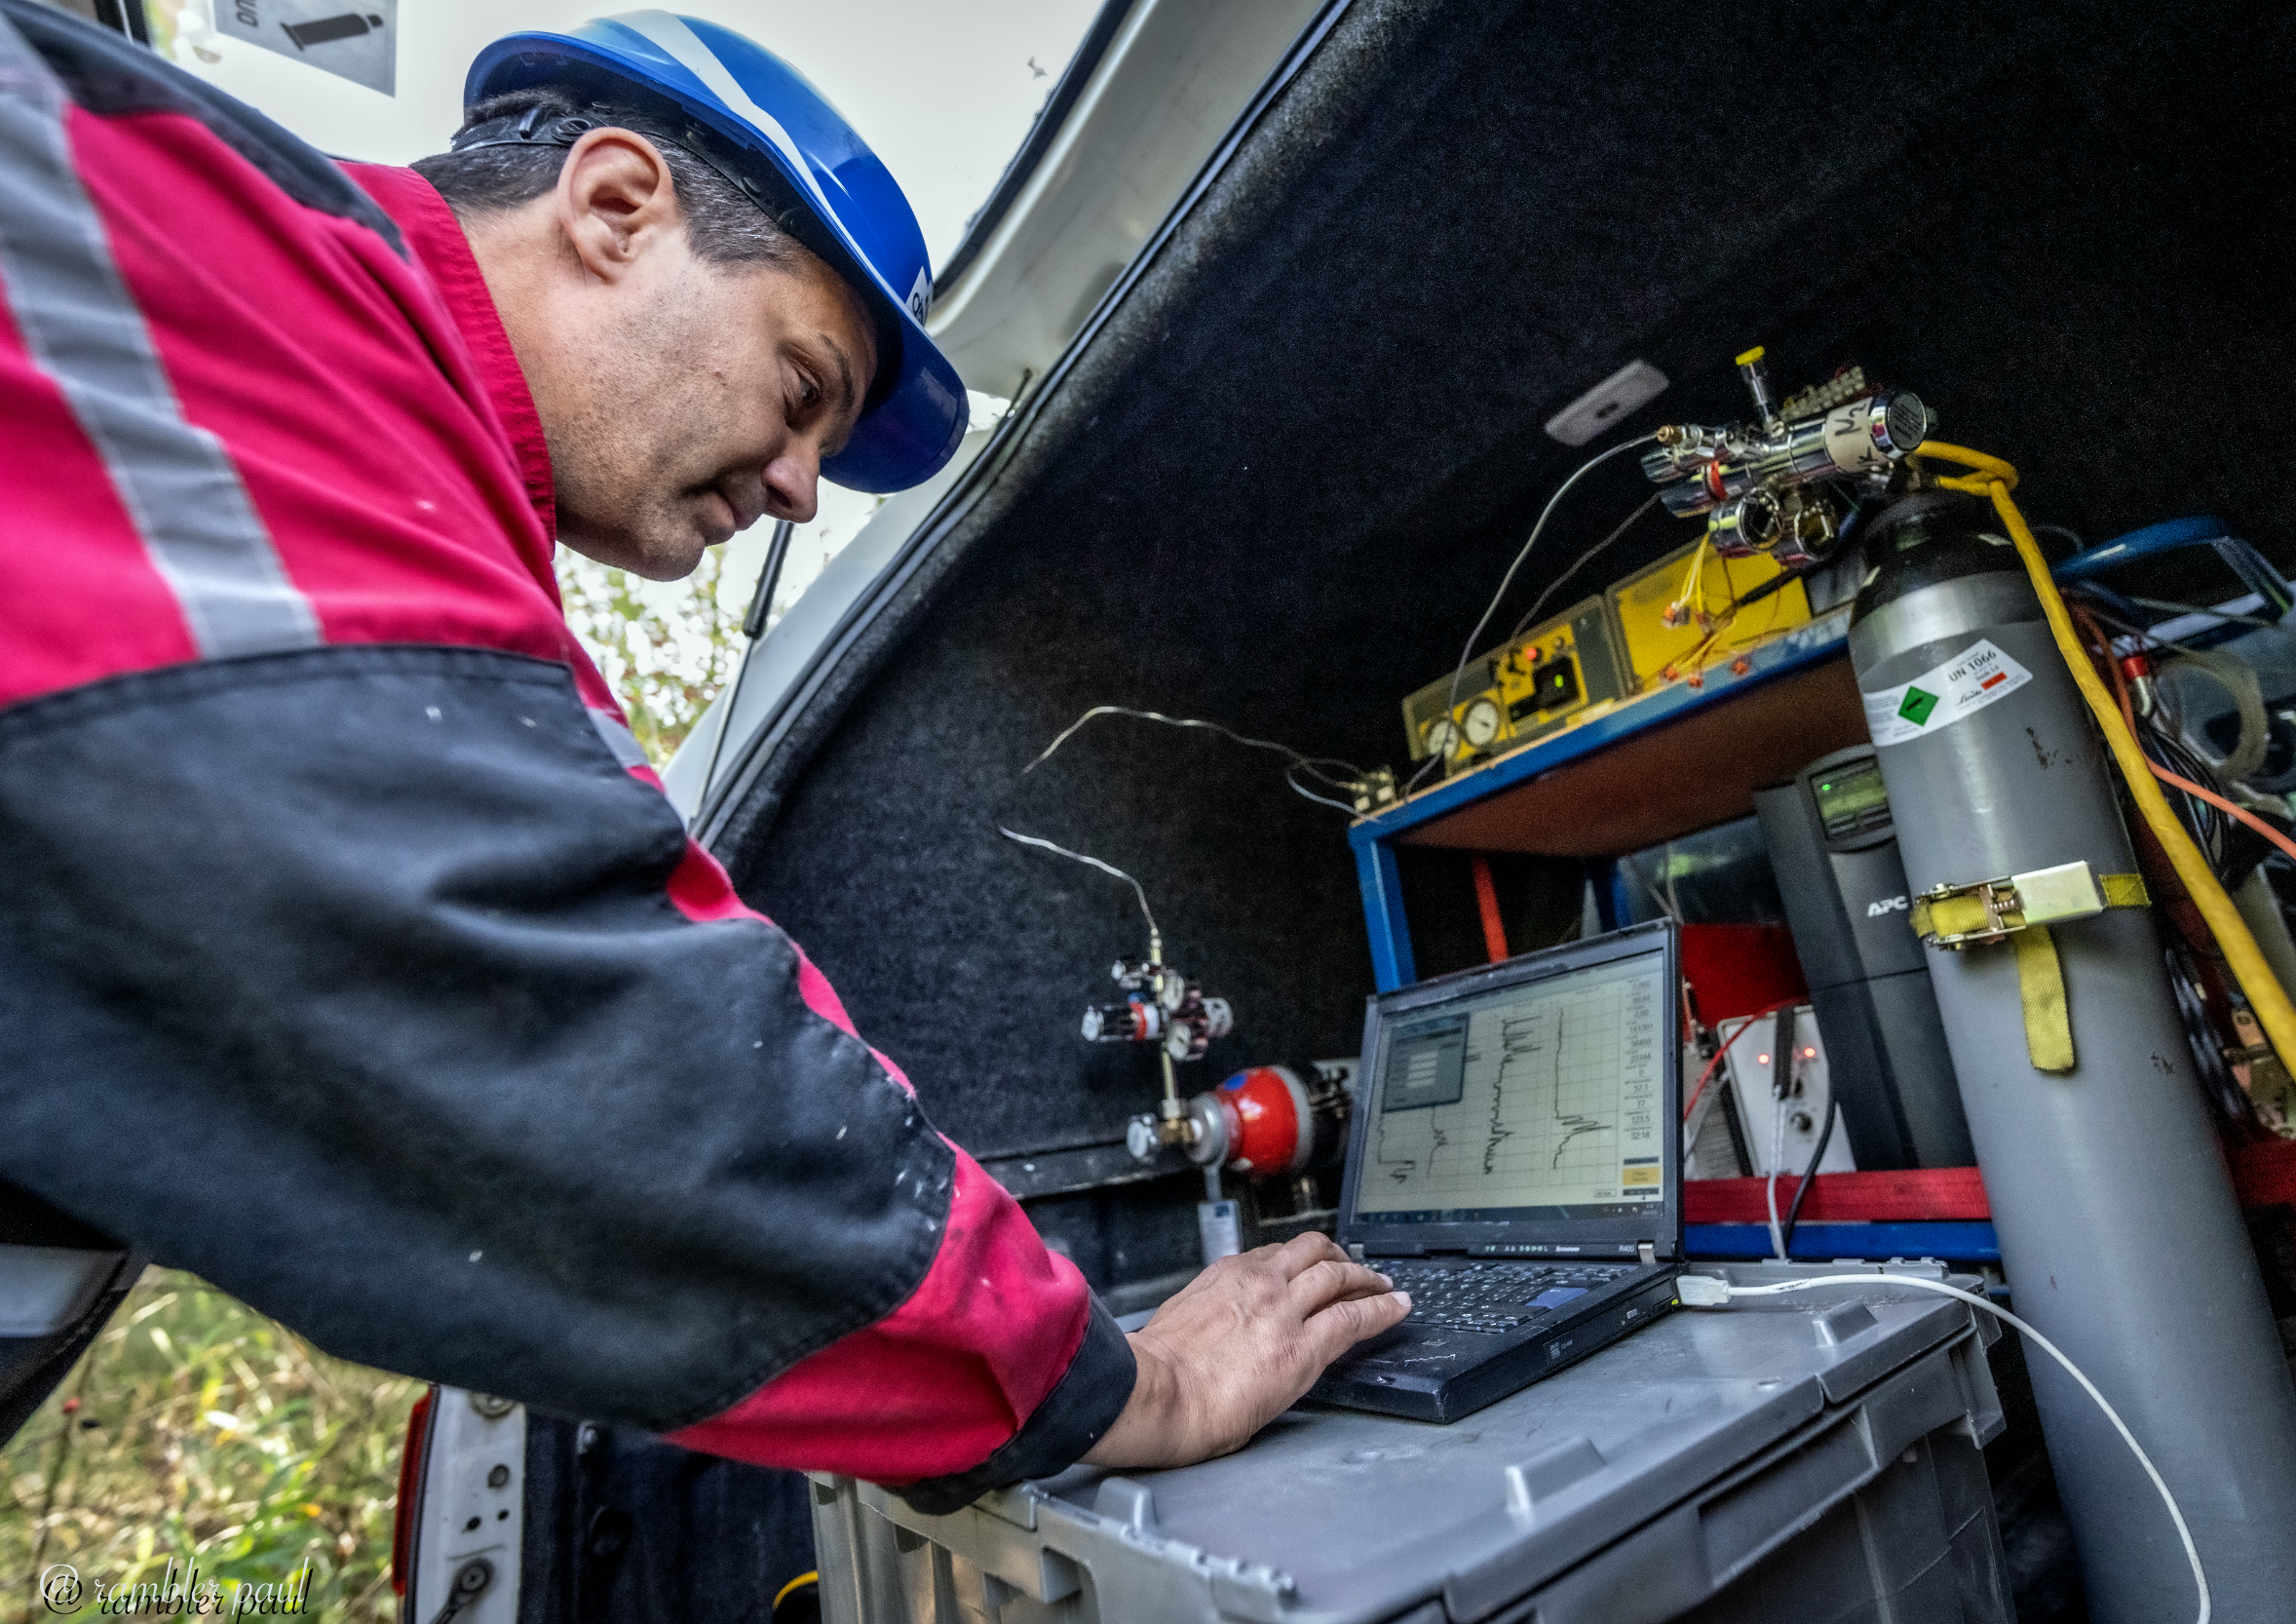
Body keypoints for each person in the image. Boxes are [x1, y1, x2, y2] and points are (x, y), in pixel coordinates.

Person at [0, 0, 1407, 1508]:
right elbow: (599, 1053)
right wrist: (1137, 1382)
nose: (803, 487)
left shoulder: (323, 401)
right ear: (615, 208)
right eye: (803, 392)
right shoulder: (251, 308)